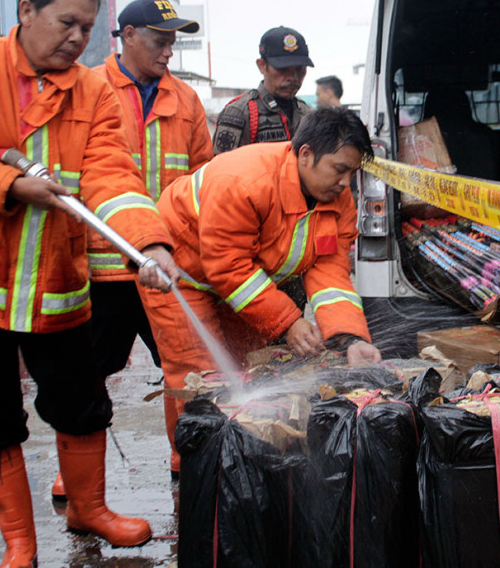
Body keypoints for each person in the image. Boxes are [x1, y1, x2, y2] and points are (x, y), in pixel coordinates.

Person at [0, 0, 181, 566]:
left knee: (82, 403)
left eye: (87, 27)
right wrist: (5, 185)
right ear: (25, 11)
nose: (78, 38)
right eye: (66, 22)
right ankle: (19, 543)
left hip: (58, 287)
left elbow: (113, 174)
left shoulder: (91, 88)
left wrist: (151, 243)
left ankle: (89, 510)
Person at [37, 0, 214, 502]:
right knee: (87, 371)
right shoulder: (86, 89)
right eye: (160, 40)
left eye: (173, 42)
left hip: (166, 264)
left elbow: (203, 179)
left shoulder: (186, 100)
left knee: (187, 366)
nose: (168, 51)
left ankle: (188, 453)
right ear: (128, 35)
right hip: (102, 265)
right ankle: (74, 468)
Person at [140, 107, 381, 476]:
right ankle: (192, 469)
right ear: (305, 155)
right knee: (201, 376)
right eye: (339, 170)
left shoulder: (337, 200)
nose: (346, 184)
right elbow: (227, 266)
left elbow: (330, 270)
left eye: (353, 173)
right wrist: (288, 324)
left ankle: (237, 461)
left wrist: (349, 338)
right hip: (179, 275)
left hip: (243, 280)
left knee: (244, 372)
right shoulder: (245, 180)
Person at [212, 26, 314, 154]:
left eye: (299, 69)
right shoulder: (240, 112)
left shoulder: (307, 114)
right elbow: (221, 168)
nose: (293, 77)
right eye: (283, 69)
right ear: (262, 66)